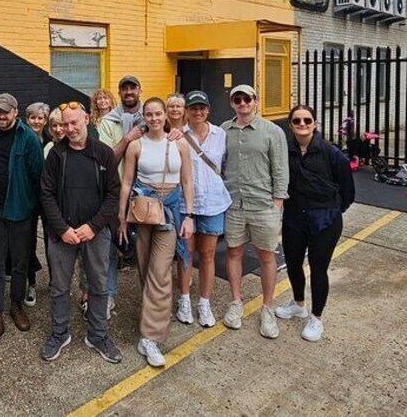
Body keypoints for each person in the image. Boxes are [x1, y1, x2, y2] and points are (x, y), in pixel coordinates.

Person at [39, 102, 122, 364]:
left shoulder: (103, 153)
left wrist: (93, 226)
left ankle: (98, 335)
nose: (70, 128)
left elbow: (113, 194)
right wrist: (62, 229)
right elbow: (46, 194)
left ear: (86, 119)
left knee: (98, 286)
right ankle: (59, 333)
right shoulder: (56, 155)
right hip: (62, 234)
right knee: (59, 286)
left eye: (74, 122)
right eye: (65, 124)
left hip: (95, 233)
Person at [118, 97, 194, 367]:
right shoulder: (136, 145)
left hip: (170, 212)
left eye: (158, 114)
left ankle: (149, 337)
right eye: (149, 114)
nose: (154, 118)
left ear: (165, 115)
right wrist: (122, 218)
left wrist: (189, 216)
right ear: (144, 117)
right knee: (145, 267)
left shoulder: (179, 143)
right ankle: (154, 313)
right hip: (143, 211)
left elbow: (187, 182)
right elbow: (127, 183)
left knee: (160, 271)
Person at [275, 105, 354, 342]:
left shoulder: (330, 152)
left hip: (325, 220)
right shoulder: (285, 151)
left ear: (315, 123)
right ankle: (298, 303)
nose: (302, 124)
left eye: (307, 120)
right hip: (294, 218)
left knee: (318, 269)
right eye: (297, 121)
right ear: (291, 125)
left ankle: (316, 317)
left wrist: (333, 209)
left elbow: (348, 190)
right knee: (293, 263)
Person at [220, 85, 289, 339]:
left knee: (266, 256)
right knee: (233, 251)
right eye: (237, 99)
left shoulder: (272, 131)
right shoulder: (224, 130)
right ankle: (236, 301)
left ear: (255, 100)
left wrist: (277, 204)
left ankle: (267, 308)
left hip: (263, 205)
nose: (242, 103)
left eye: (247, 98)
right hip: (234, 205)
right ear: (232, 103)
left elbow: (280, 169)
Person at [0, 93, 44, 352]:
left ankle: (16, 304)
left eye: (6, 111)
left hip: (20, 209)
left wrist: (31, 208)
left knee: (19, 262)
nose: (2, 116)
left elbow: (38, 176)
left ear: (16, 112)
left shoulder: (28, 138)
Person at [176, 91, 231, 327]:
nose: (198, 112)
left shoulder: (221, 134)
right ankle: (184, 300)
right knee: (185, 254)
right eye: (193, 108)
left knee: (208, 255)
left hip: (213, 202)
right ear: (187, 111)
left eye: (202, 108)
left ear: (208, 109)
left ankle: (204, 303)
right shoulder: (178, 135)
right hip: (185, 204)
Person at [97, 76, 146, 319]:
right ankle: (108, 295)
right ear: (119, 92)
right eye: (124, 88)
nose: (128, 91)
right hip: (116, 192)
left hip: (146, 193)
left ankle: (149, 298)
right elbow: (106, 160)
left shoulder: (151, 117)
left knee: (146, 248)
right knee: (110, 246)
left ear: (139, 90)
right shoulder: (108, 122)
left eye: (132, 87)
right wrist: (127, 138)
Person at [23, 101, 50, 305]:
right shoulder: (22, 139)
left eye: (40, 118)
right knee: (28, 241)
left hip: (48, 198)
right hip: (29, 197)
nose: (36, 121)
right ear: (27, 119)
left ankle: (56, 281)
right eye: (33, 117)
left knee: (52, 241)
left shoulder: (51, 139)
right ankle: (31, 282)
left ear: (46, 120)